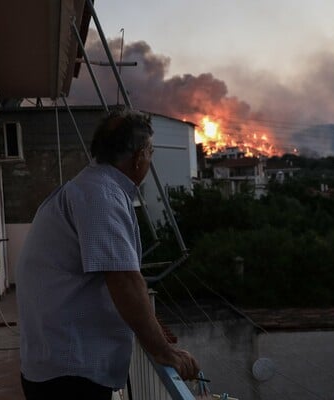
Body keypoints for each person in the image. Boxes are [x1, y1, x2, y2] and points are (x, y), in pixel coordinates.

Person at [16, 109, 199, 400]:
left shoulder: (90, 187)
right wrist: (164, 352)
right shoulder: (101, 196)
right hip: (70, 374)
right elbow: (125, 280)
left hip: (57, 365)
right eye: (150, 151)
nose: (150, 160)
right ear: (139, 156)